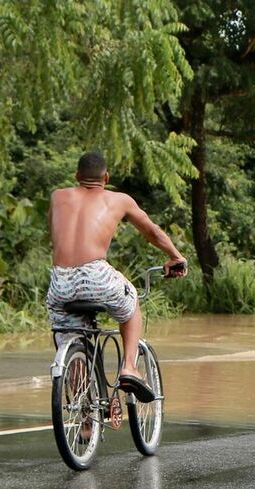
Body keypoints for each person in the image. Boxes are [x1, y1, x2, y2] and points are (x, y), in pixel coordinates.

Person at [46, 151, 187, 402]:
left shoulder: (57, 197)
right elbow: (152, 232)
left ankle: (85, 416)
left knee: (72, 337)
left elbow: (55, 233)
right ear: (106, 177)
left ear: (77, 176)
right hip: (95, 275)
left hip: (60, 282)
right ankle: (129, 368)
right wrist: (176, 256)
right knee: (131, 302)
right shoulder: (119, 200)